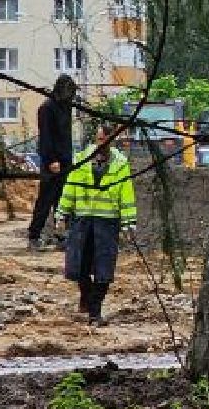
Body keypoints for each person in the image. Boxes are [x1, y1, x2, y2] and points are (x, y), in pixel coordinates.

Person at [59, 129, 136, 324]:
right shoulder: (82, 160)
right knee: (80, 266)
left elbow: (126, 195)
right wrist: (62, 213)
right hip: (83, 220)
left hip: (107, 222)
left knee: (103, 269)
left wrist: (129, 223)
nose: (103, 143)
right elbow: (71, 186)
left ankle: (95, 311)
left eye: (107, 140)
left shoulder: (120, 165)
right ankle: (86, 297)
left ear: (113, 140)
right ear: (96, 139)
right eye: (100, 139)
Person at [25, 75, 78, 249]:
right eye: (69, 91)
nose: (70, 96)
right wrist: (51, 160)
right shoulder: (47, 108)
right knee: (46, 200)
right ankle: (34, 235)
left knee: (62, 201)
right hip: (52, 162)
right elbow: (46, 137)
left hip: (65, 160)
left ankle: (61, 236)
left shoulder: (66, 107)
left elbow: (65, 136)